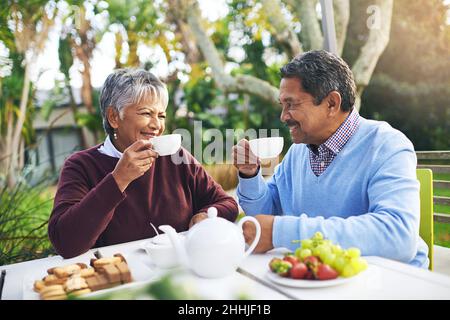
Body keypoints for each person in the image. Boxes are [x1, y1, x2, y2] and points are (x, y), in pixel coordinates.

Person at [233, 50, 428, 268]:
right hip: (320, 276)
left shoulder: (386, 145)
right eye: (282, 105)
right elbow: (264, 217)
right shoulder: (298, 152)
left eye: (292, 104)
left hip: (390, 280)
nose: (283, 116)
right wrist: (249, 174)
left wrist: (282, 232)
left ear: (332, 104)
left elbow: (398, 237)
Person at [49, 69, 238, 259]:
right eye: (146, 113)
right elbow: (65, 243)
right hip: (120, 280)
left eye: (161, 115)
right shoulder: (81, 166)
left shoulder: (175, 157)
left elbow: (227, 203)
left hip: (178, 273)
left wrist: (204, 217)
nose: (157, 125)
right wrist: (118, 179)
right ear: (114, 117)